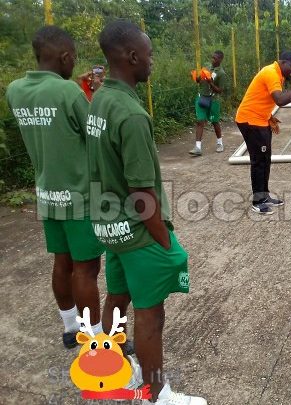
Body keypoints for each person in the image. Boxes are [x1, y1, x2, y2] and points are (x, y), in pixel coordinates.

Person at [87, 20, 206, 404]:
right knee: (150, 315)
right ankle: (157, 395)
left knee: (116, 300)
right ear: (132, 56)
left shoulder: (101, 98)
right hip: (137, 230)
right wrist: (164, 239)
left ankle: (114, 369)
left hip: (110, 227)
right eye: (150, 54)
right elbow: (142, 193)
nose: (152, 61)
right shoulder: (131, 114)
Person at [6, 26, 105, 349]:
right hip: (79, 194)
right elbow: (94, 133)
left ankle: (69, 328)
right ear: (65, 56)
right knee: (86, 269)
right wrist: (96, 93)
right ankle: (96, 338)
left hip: (47, 193)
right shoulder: (68, 92)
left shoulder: (15, 90)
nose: (74, 64)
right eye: (73, 58)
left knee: (62, 263)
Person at [235, 51, 291, 215]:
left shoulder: (278, 73)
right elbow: (280, 100)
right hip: (250, 121)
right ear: (284, 62)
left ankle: (264, 196)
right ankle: (257, 201)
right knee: (258, 160)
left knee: (265, 158)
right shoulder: (271, 73)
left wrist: (269, 117)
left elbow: (265, 98)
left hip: (261, 120)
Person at [190, 50, 227, 156]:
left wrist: (210, 82)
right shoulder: (206, 68)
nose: (213, 60)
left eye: (215, 58)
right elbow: (199, 81)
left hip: (213, 100)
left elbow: (220, 90)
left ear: (220, 59)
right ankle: (197, 147)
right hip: (201, 98)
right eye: (212, 57)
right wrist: (196, 78)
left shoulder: (221, 73)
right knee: (200, 121)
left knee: (215, 122)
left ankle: (220, 143)